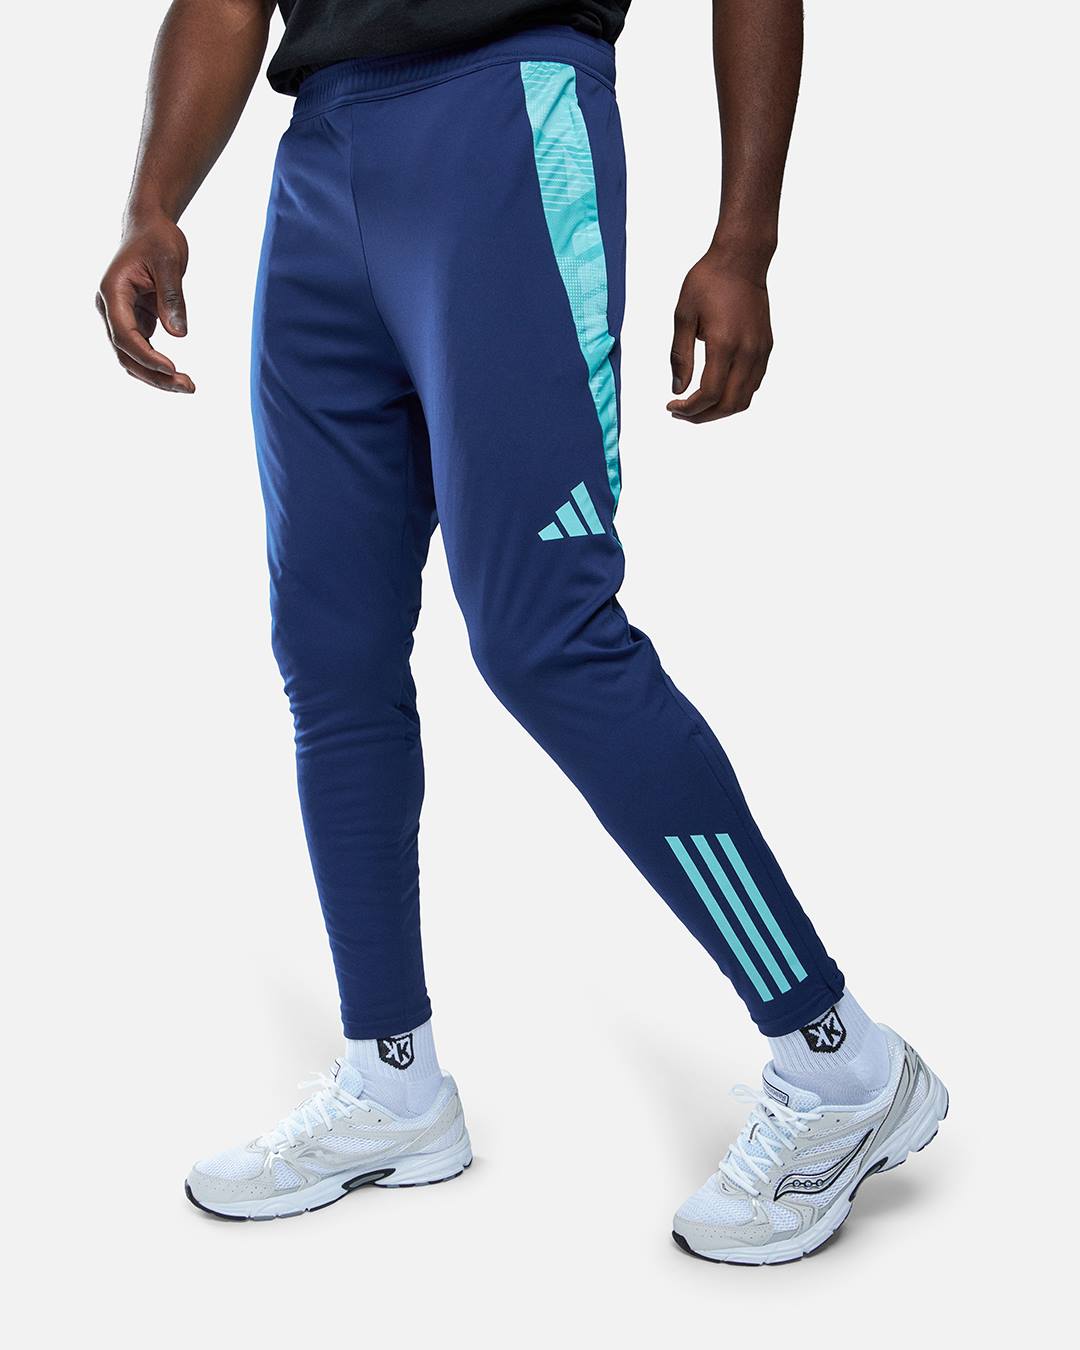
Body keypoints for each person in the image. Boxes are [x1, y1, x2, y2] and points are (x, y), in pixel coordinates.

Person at [97, 0, 946, 1261]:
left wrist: (743, 238)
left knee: (545, 636)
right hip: (322, 164)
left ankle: (841, 1061)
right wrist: (154, 202)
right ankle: (393, 1082)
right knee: (332, 654)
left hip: (509, 120)